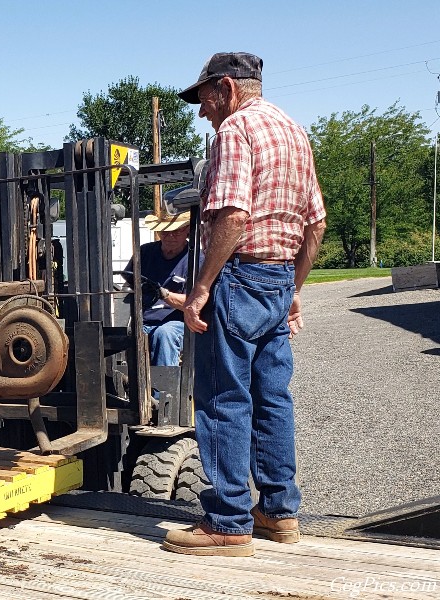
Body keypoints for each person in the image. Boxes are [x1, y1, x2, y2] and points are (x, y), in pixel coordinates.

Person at [162, 52, 326, 557]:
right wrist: (294, 288)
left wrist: (202, 288)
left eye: (205, 99)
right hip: (277, 278)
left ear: (228, 88)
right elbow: (315, 224)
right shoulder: (294, 131)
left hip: (238, 277)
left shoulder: (234, 132)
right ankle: (278, 511)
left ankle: (228, 522)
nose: (201, 111)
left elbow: (233, 217)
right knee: (273, 397)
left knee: (222, 398)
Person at [122, 210, 190, 366]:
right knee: (122, 336)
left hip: (178, 323)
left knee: (163, 334)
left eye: (176, 231)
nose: (170, 235)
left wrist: (164, 294)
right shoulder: (145, 252)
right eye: (165, 231)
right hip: (144, 320)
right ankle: (126, 385)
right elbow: (129, 281)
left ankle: (164, 390)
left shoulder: (196, 259)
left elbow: (195, 302)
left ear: (187, 230)